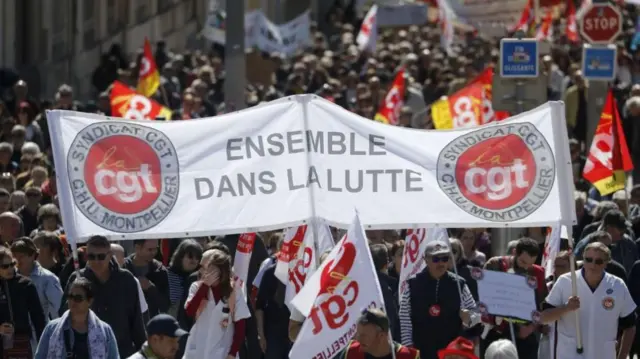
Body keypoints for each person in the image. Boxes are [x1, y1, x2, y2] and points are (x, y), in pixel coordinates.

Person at [540, 242, 636, 359]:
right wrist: (566, 308)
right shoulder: (565, 281)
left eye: (599, 261)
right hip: (570, 354)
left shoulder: (617, 285)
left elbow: (630, 326)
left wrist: (622, 356)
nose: (593, 265)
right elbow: (544, 318)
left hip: (603, 354)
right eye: (589, 260)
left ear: (607, 263)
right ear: (583, 260)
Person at [63, 235, 146, 357]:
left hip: (121, 351)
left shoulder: (127, 280)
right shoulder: (76, 279)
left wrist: (143, 353)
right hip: (86, 351)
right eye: (91, 256)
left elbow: (137, 322)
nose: (96, 261)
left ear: (110, 255)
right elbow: (64, 316)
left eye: (101, 257)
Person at [399, 240, 480, 359]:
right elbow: (404, 318)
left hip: (451, 352)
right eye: (436, 259)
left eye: (445, 259)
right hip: (421, 349)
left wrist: (469, 318)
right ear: (426, 259)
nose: (441, 263)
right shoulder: (412, 284)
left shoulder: (459, 284)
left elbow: (475, 313)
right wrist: (409, 348)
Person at [482, 237, 547, 359]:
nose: (526, 267)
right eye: (523, 262)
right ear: (514, 252)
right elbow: (484, 296)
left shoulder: (538, 272)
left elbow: (542, 305)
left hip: (525, 336)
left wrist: (531, 327)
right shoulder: (495, 265)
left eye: (530, 264)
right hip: (496, 334)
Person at [183, 248, 251, 359]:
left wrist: (232, 353)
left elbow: (240, 326)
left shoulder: (234, 291)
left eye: (207, 268)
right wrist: (204, 286)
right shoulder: (196, 287)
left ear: (220, 270)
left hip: (223, 351)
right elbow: (189, 311)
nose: (202, 271)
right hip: (198, 348)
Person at [35, 277, 119, 359]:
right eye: (70, 296)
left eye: (78, 298)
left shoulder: (105, 331)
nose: (72, 301)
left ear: (89, 301)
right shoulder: (52, 328)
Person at [10, 237, 63, 320]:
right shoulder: (9, 277)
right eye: (14, 256)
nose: (17, 260)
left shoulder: (48, 278)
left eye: (21, 256)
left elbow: (58, 309)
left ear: (32, 255)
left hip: (41, 330)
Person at [341, 308, 420, 359]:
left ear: (381, 336)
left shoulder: (407, 357)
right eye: (358, 334)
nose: (358, 339)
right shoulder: (351, 353)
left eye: (364, 336)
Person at [124, 239, 170, 317]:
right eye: (150, 249)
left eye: (156, 249)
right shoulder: (123, 268)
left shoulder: (161, 271)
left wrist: (151, 288)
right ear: (137, 248)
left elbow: (165, 305)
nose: (154, 252)